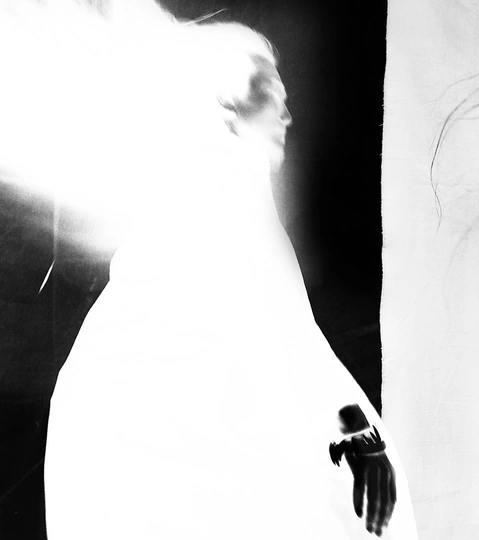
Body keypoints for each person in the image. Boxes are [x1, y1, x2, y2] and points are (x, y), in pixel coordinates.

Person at [0, 1, 417, 538]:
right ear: (223, 112)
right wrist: (357, 436)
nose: (286, 115)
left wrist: (355, 433)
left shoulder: (222, 209)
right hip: (170, 448)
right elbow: (286, 343)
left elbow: (293, 345)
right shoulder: (219, 208)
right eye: (269, 97)